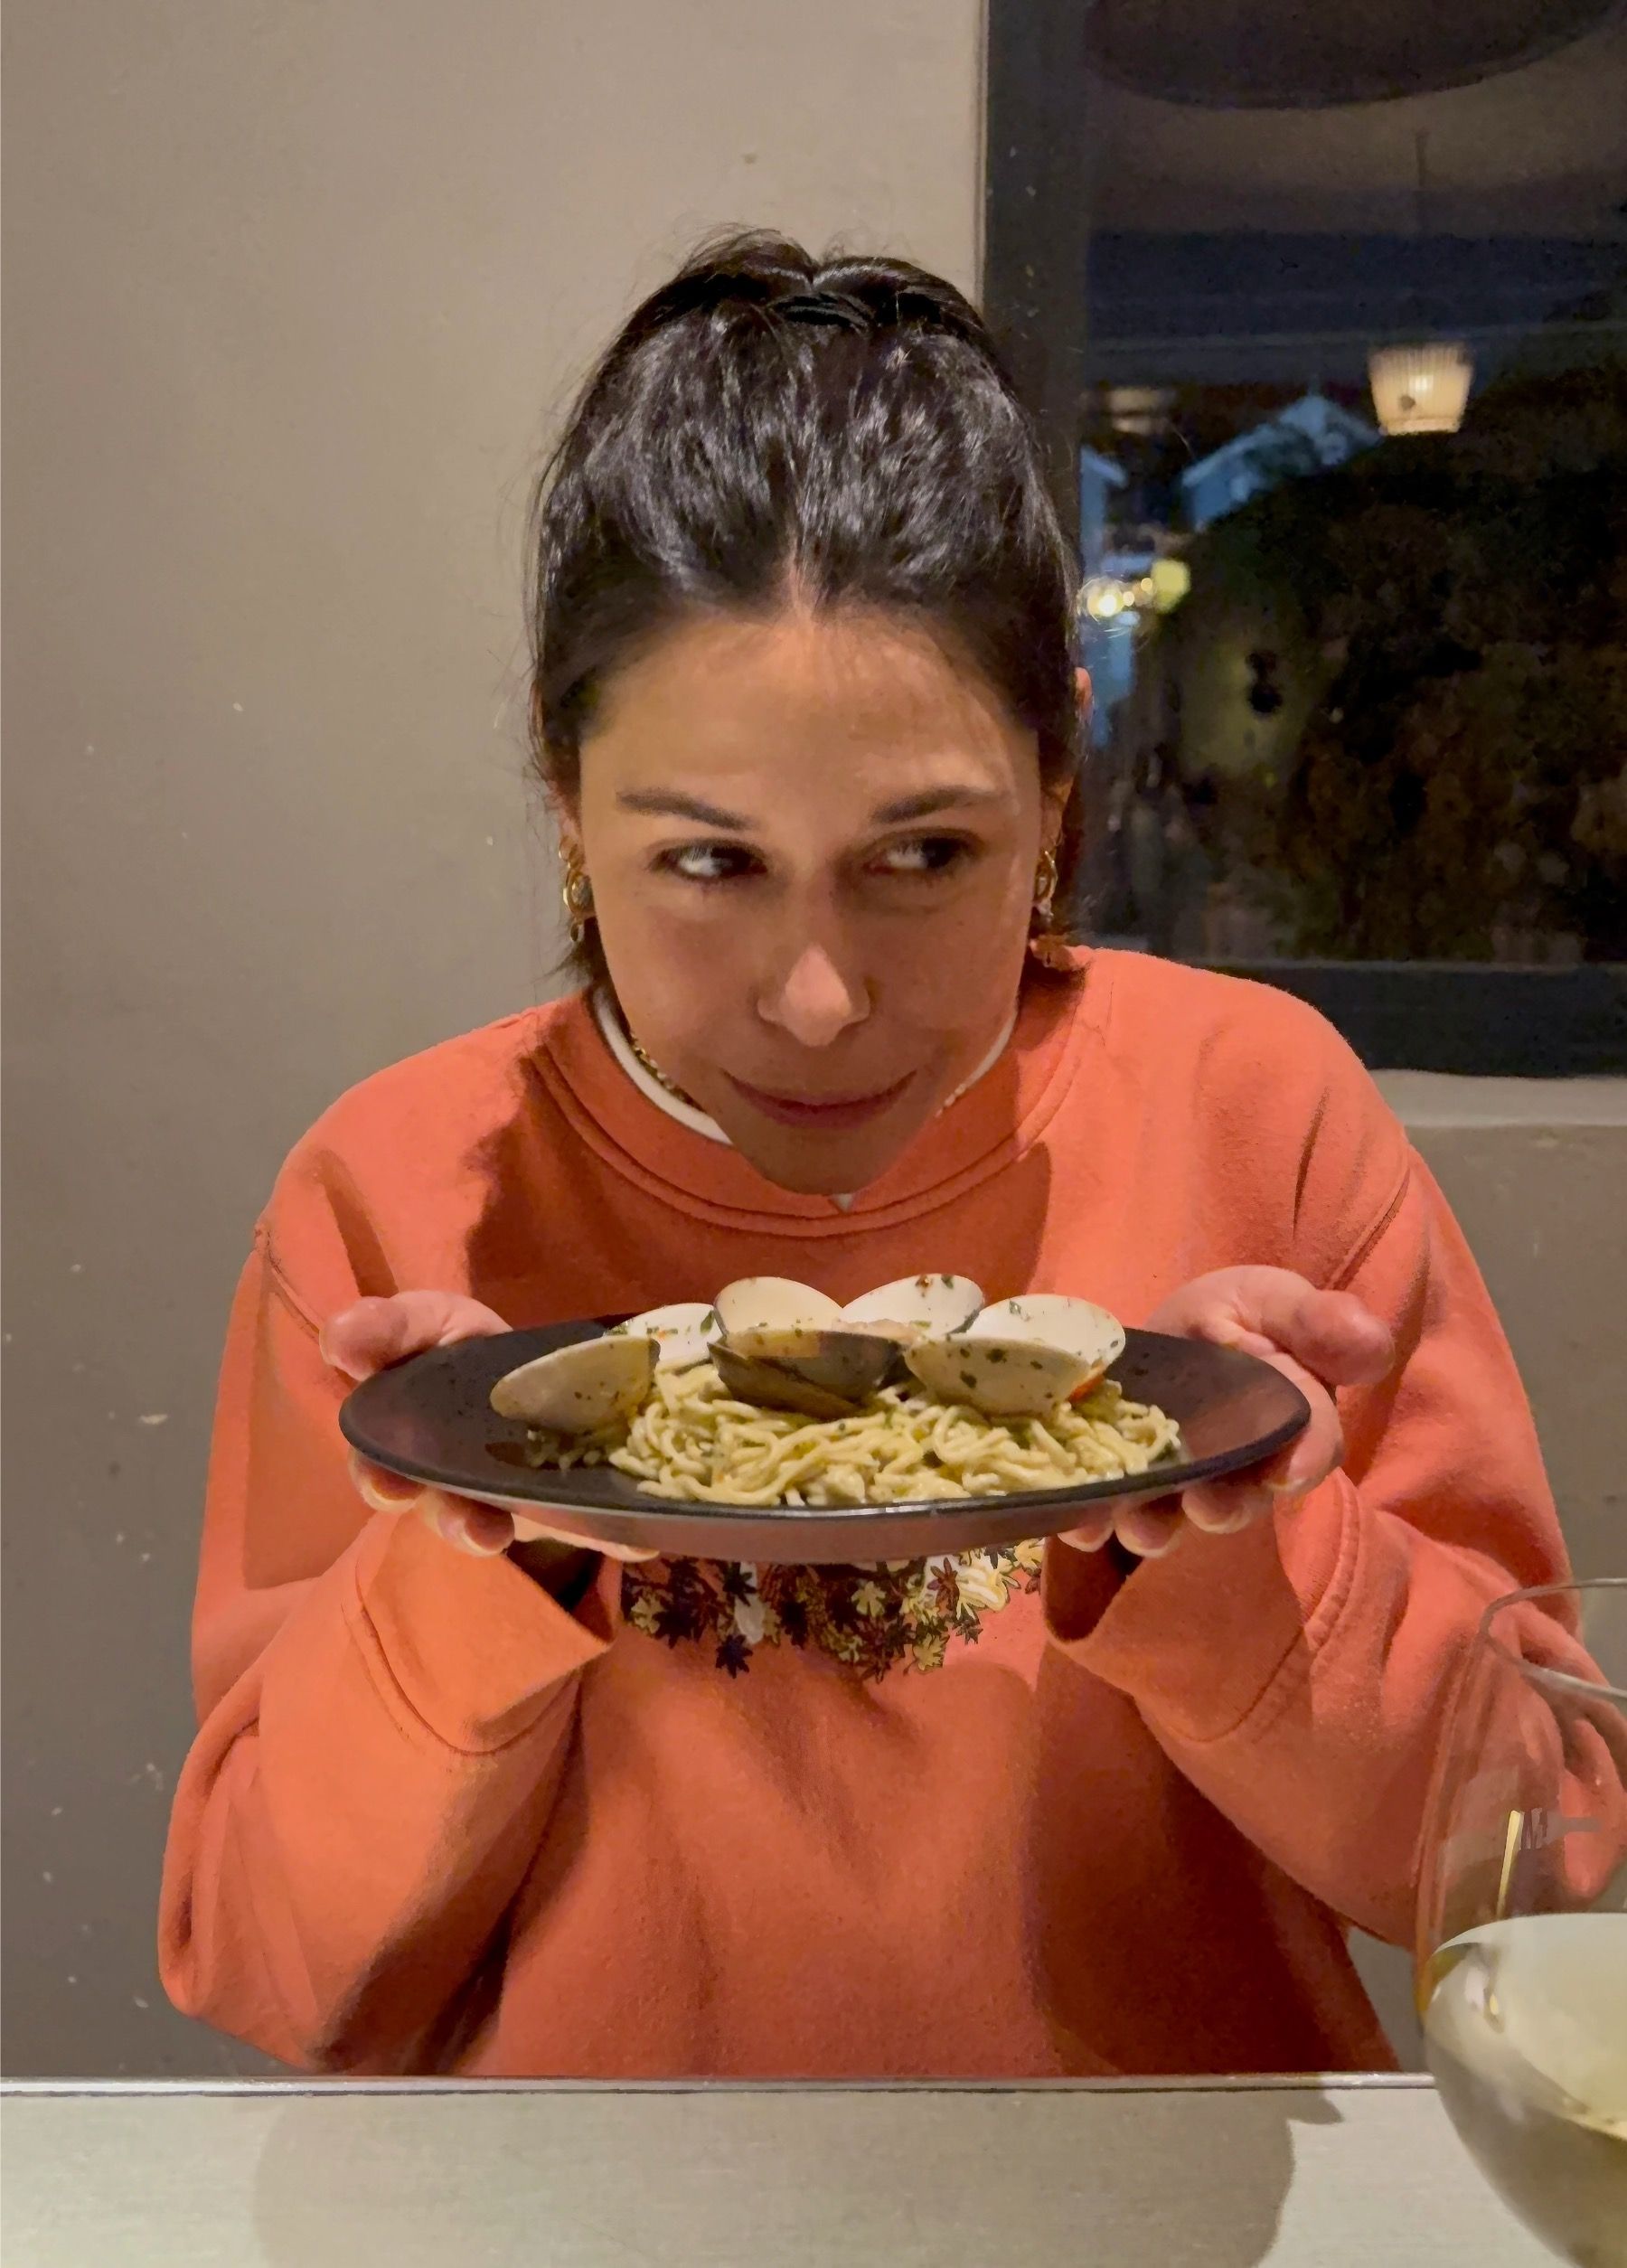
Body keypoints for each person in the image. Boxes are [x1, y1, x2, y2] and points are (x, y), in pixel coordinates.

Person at [160, 232, 1571, 2080]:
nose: (819, 999)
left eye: (924, 856)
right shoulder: (397, 1193)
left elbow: (1552, 1869)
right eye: (708, 861)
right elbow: (267, 1961)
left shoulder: (1256, 1115)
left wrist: (1253, 1535)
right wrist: (466, 1559)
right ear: (564, 801)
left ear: (1059, 786)